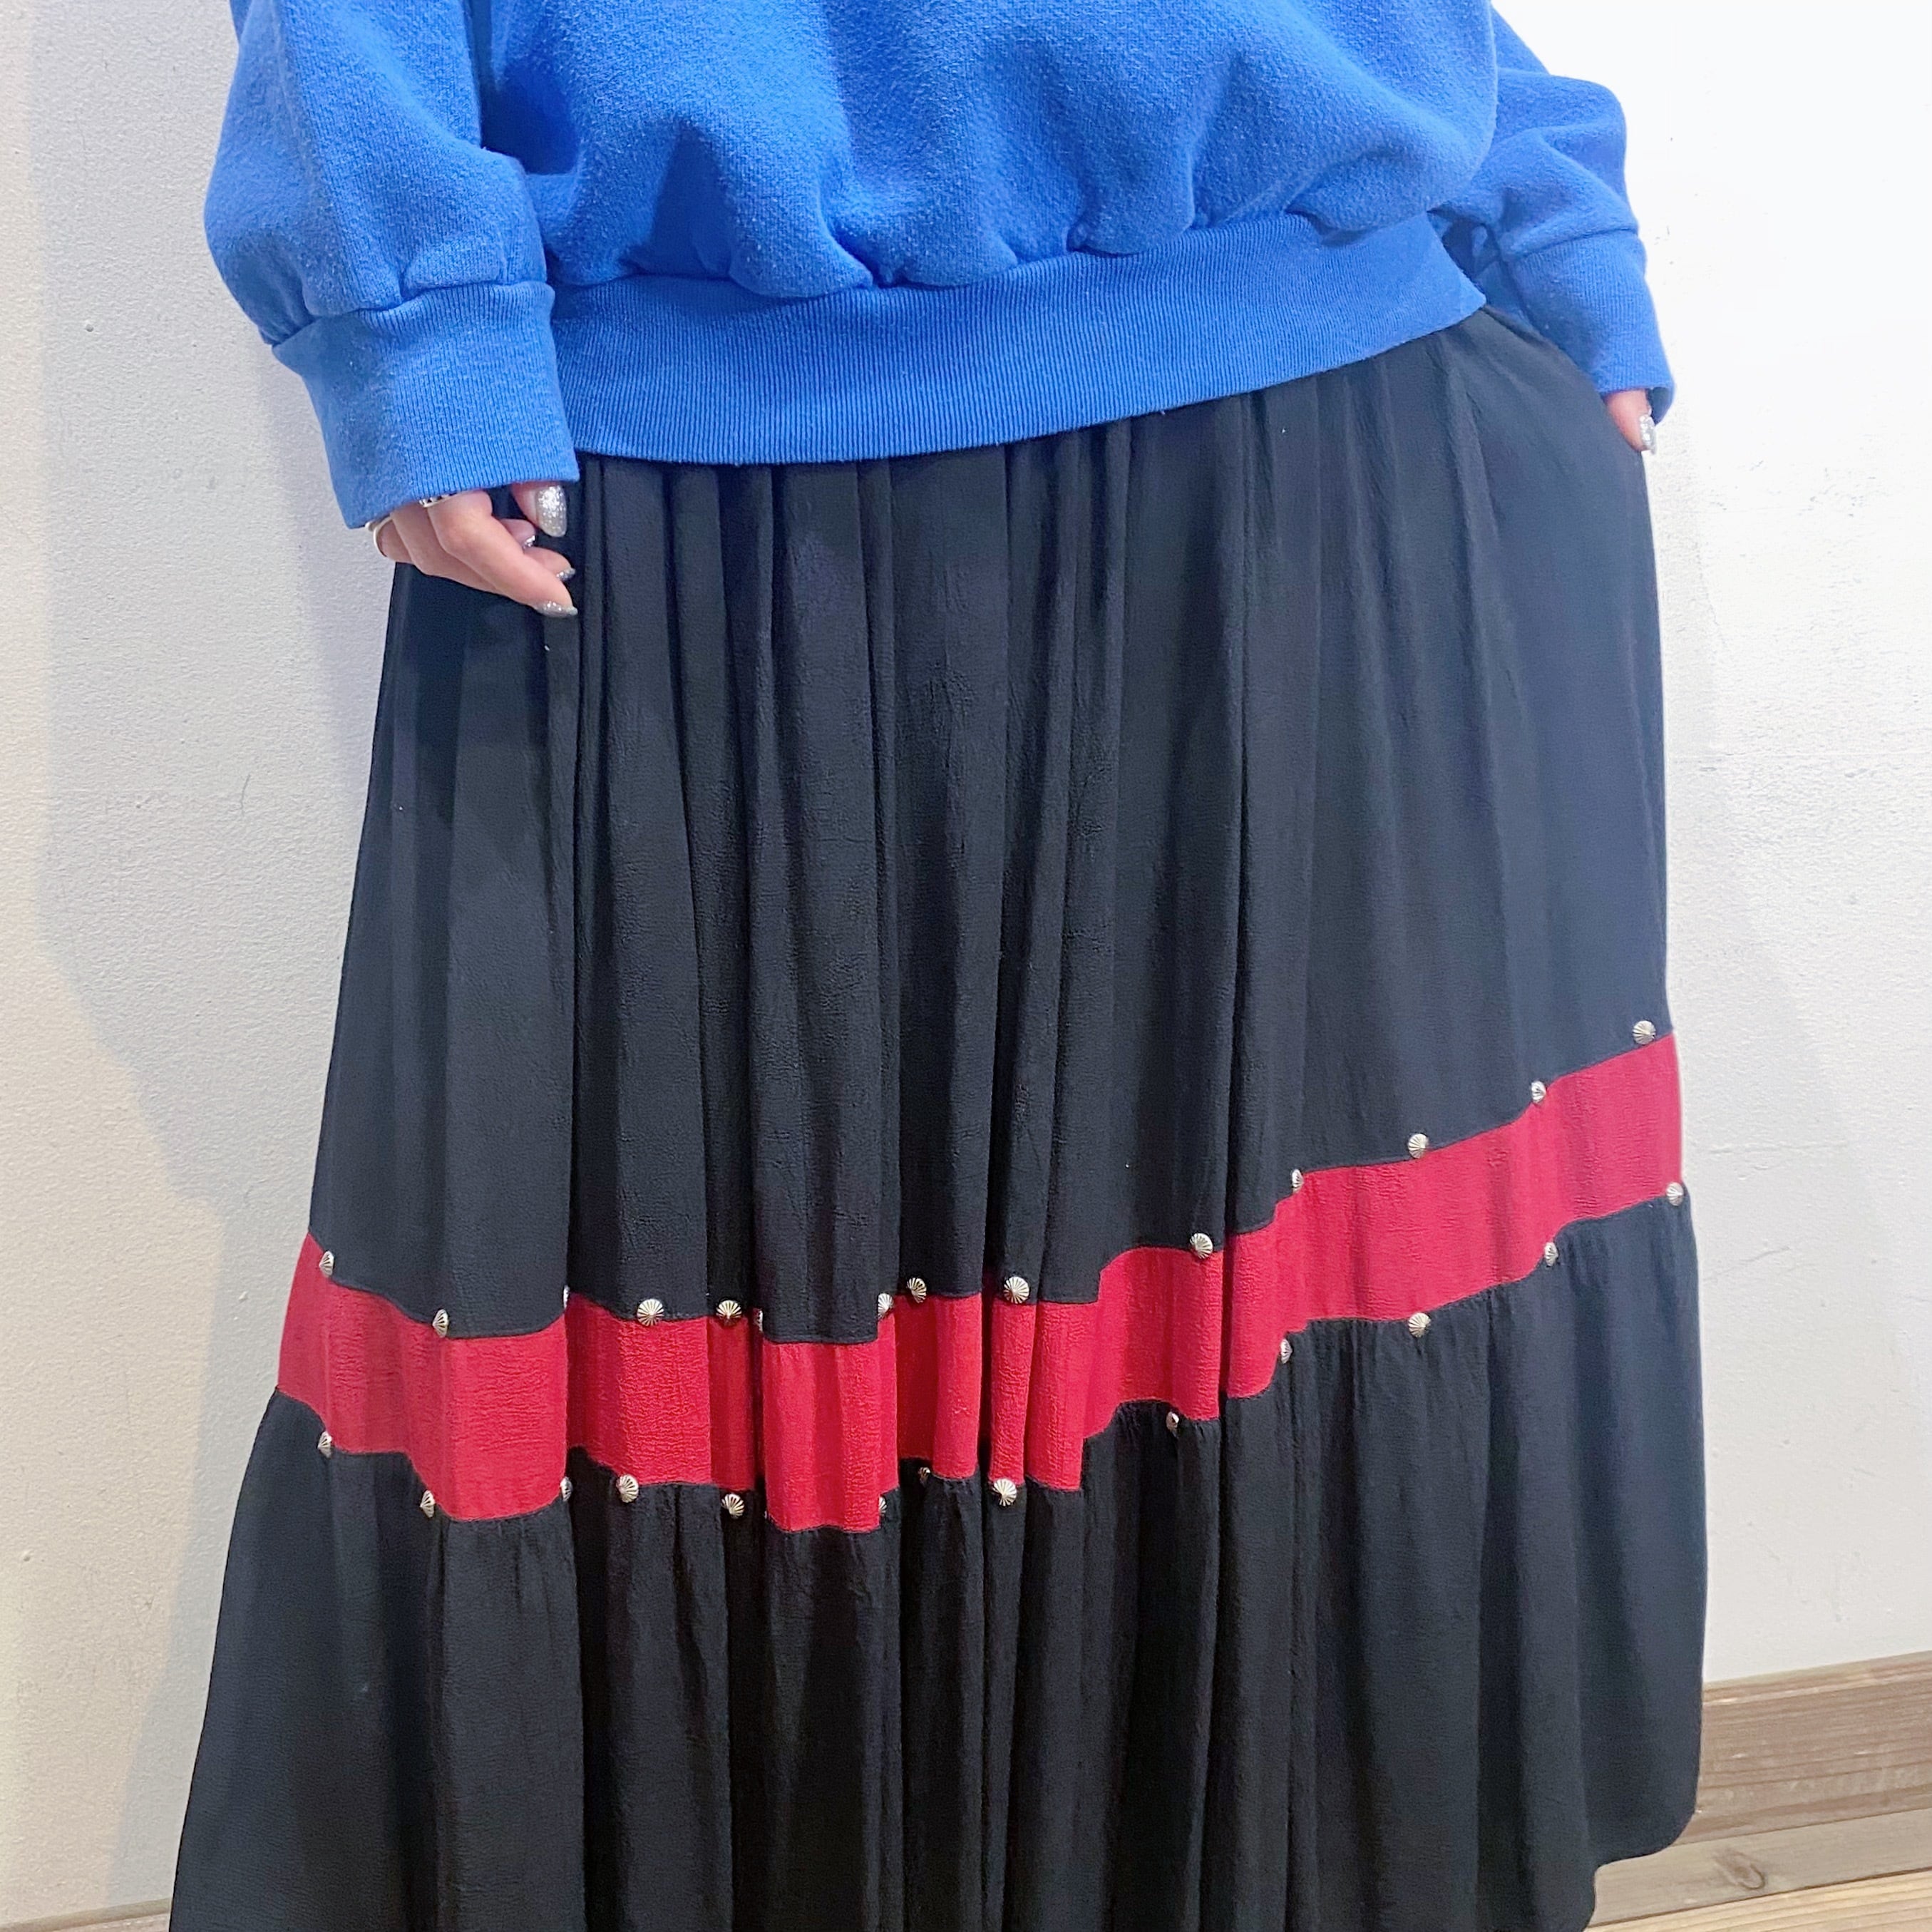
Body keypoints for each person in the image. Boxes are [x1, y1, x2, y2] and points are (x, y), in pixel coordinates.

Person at [171, 4, 1705, 1929]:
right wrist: (411, 320)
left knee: (1257, 1359)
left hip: (1349, 407)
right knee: (766, 1364)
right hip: (747, 482)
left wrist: (1539, 184)